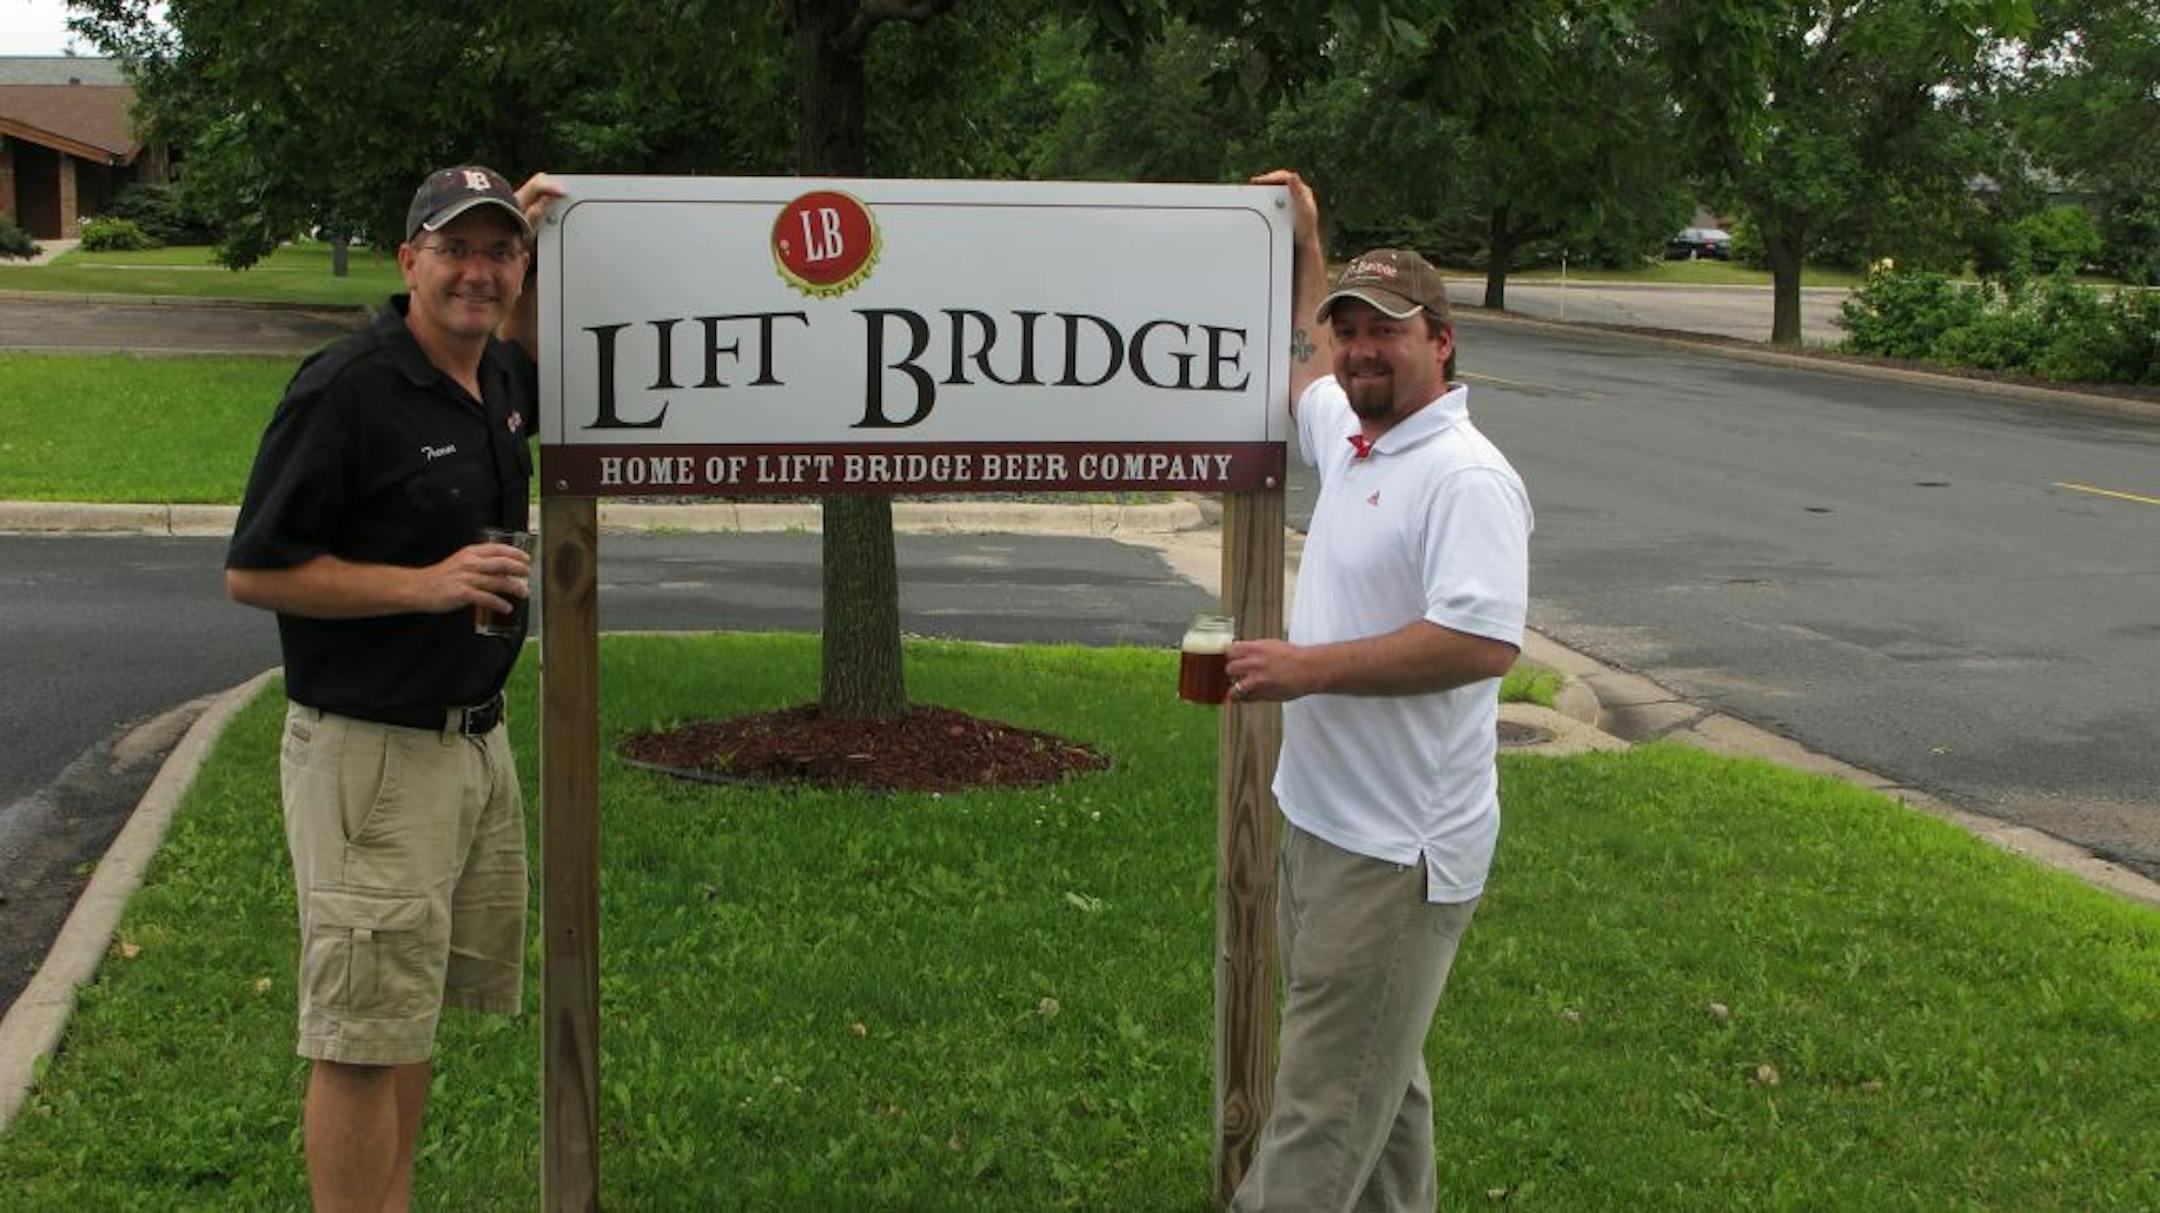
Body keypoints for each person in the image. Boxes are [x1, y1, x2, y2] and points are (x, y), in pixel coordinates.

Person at [226, 163, 562, 1212]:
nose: (478, 270)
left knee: (405, 1018)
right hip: (373, 756)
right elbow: (255, 570)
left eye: (498, 250)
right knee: (362, 1040)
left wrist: (553, 237)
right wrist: (426, 584)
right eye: (455, 248)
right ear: (407, 257)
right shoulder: (346, 389)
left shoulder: (497, 379)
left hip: (472, 745)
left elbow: (535, 340)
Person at [1224, 170, 1533, 1212]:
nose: (1359, 348)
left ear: (1441, 342)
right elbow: (1311, 372)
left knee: (1319, 1110)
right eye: (1348, 328)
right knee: (1380, 1085)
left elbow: (1479, 642)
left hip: (1397, 853)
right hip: (1324, 825)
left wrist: (1302, 670)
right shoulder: (1356, 442)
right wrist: (1310, 245)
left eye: (1385, 330)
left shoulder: (1465, 475)